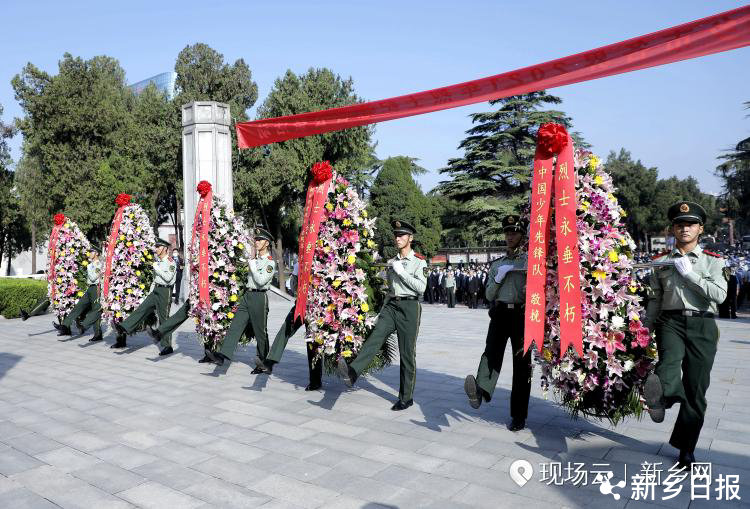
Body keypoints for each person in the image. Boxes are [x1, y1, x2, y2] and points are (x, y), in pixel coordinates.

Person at [643, 201, 727, 469]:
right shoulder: (661, 262)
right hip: (670, 322)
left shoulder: (713, 261)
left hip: (703, 325)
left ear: (700, 228)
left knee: (696, 389)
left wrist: (690, 275)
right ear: (672, 229)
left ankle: (686, 448)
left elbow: (720, 295)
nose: (685, 228)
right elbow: (655, 299)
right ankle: (665, 394)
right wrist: (647, 328)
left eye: (690, 224)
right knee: (668, 362)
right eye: (679, 224)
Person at [337, 219, 427, 411]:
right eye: (396, 235)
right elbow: (391, 290)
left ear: (410, 238)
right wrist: (381, 312)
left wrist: (402, 273)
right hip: (391, 306)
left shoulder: (419, 261)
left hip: (410, 307)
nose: (398, 238)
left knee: (407, 354)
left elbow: (421, 287)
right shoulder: (393, 261)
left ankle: (406, 397)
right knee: (375, 337)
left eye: (401, 235)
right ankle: (353, 372)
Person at [464, 215, 531, 431]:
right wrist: (499, 278)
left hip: (521, 315)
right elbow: (490, 293)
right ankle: (481, 391)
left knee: (522, 367)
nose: (510, 236)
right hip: (500, 312)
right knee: (491, 352)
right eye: (507, 233)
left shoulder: (529, 261)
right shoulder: (498, 264)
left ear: (522, 235)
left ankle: (519, 416)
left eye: (514, 232)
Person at [208, 227, 275, 371]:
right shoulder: (255, 260)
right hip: (247, 296)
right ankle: (222, 355)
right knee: (235, 326)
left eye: (260, 240)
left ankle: (264, 362)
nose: (256, 242)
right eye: (256, 240)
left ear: (267, 243)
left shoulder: (270, 263)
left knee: (260, 332)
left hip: (259, 297)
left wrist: (252, 266)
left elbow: (261, 281)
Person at [114, 238, 176, 353]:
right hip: (156, 290)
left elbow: (168, 279)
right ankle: (124, 327)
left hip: (165, 291)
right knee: (142, 309)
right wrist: (151, 292)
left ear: (166, 249)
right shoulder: (158, 262)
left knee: (164, 319)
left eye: (159, 247)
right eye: (156, 247)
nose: (156, 249)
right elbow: (155, 280)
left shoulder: (171, 262)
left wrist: (157, 269)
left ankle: (167, 346)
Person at [256, 304, 323, 391]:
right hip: (300, 305)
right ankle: (270, 361)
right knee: (285, 329)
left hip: (316, 309)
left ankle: (315, 381)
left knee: (313, 344)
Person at [56, 245, 103, 342]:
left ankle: (98, 334)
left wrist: (90, 267)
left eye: (92, 252)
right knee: (79, 306)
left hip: (96, 288)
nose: (89, 254)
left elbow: (94, 277)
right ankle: (65, 325)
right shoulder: (92, 265)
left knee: (95, 310)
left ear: (97, 253)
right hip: (90, 288)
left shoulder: (98, 264)